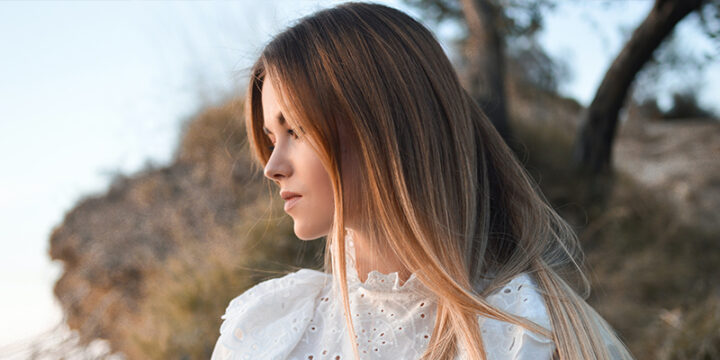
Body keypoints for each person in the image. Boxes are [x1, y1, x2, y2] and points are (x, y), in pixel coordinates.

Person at [211, 2, 635, 359]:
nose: (272, 166)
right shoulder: (269, 327)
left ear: (384, 127)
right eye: (271, 138)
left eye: (296, 130)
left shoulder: (528, 334)